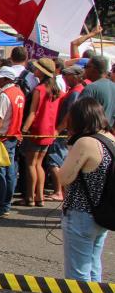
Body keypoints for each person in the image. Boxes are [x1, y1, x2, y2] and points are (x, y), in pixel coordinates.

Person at [44, 97, 112, 293]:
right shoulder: (109, 139)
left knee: (78, 273)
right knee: (93, 269)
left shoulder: (85, 142)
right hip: (101, 214)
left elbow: (64, 177)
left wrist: (60, 164)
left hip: (80, 214)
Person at [0, 66, 26, 218]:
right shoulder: (19, 92)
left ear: (7, 79)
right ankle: (5, 204)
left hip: (2, 138)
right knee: (10, 174)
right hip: (13, 136)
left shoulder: (4, 95)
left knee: (0, 174)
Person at [20, 59, 62, 207]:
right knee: (39, 164)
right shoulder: (56, 90)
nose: (34, 71)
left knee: (31, 164)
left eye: (37, 69)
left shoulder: (40, 89)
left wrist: (23, 129)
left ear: (42, 72)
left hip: (36, 130)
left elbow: (33, 112)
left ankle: (31, 197)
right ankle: (40, 197)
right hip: (49, 132)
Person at [48, 67, 85, 201]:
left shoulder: (76, 92)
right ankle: (61, 191)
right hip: (66, 132)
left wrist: (57, 130)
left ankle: (59, 191)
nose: (64, 77)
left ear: (75, 76)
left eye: (67, 75)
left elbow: (69, 115)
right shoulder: (75, 91)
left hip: (63, 132)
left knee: (54, 161)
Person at [81, 55, 115, 125]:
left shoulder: (90, 88)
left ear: (94, 69)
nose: (84, 69)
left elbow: (79, 114)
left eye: (86, 66)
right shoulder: (113, 86)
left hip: (90, 133)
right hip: (106, 133)